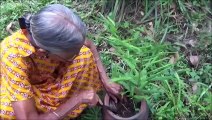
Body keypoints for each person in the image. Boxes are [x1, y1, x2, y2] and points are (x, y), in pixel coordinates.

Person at [0, 4, 121, 119]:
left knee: (85, 55)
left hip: (50, 77)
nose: (75, 56)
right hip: (26, 91)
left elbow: (89, 45)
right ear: (43, 52)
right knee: (8, 111)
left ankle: (57, 107)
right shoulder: (13, 57)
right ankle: (61, 107)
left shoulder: (53, 33)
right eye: (69, 57)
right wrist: (78, 99)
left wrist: (106, 80)